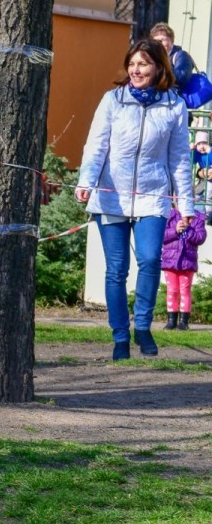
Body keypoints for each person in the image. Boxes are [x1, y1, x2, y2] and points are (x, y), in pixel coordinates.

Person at [77, 39, 194, 360]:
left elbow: (180, 159)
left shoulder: (174, 106)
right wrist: (85, 181)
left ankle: (142, 326)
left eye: (143, 64)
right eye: (132, 63)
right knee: (116, 270)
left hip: (152, 197)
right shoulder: (113, 100)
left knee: (150, 260)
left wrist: (186, 206)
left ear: (158, 68)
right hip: (111, 197)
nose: (136, 69)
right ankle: (120, 337)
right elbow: (96, 146)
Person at [161, 207, 207, 331]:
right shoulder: (168, 215)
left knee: (185, 291)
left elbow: (201, 237)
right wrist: (175, 230)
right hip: (170, 261)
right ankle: (171, 321)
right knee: (172, 291)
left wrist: (189, 229)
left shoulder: (197, 218)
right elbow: (161, 235)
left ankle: (184, 322)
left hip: (188, 262)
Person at [149, 23, 198, 90]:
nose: (158, 44)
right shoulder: (153, 57)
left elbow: (182, 77)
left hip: (176, 98)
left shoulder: (181, 55)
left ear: (171, 40)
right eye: (155, 41)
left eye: (161, 40)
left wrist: (162, 65)